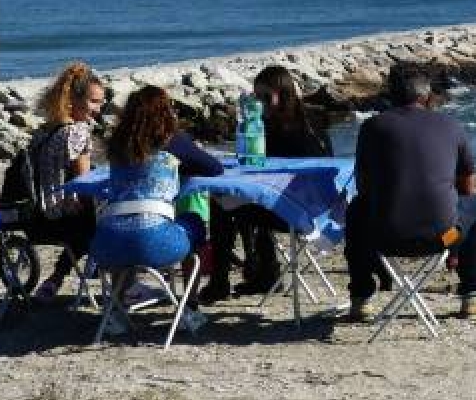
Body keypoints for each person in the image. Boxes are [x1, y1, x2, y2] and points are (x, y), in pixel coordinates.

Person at [345, 63, 476, 320]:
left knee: (357, 208)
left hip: (384, 240)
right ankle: (472, 293)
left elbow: (364, 187)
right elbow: (467, 188)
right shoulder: (451, 126)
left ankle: (361, 298)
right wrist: (455, 249)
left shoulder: (372, 127)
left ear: (391, 94)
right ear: (426, 96)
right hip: (442, 239)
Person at [91, 86, 224, 335]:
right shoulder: (172, 141)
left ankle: (116, 312)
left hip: (107, 244)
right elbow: (214, 168)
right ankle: (190, 307)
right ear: (165, 112)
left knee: (125, 230)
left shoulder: (118, 146)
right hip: (154, 242)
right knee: (193, 223)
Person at [203, 66, 334, 304]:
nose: (261, 103)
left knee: (223, 204)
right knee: (242, 201)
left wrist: (250, 124)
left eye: (265, 97)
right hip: (321, 207)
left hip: (295, 212)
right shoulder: (313, 120)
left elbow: (259, 168)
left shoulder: (279, 131)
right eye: (257, 97)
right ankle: (264, 270)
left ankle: (220, 281)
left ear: (282, 95)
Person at [29, 63, 107, 302]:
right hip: (60, 217)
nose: (99, 109)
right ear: (73, 99)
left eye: (101, 102)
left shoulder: (47, 128)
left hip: (36, 214)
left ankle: (55, 280)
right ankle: (126, 284)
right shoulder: (77, 131)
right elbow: (86, 184)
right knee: (109, 219)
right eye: (94, 102)